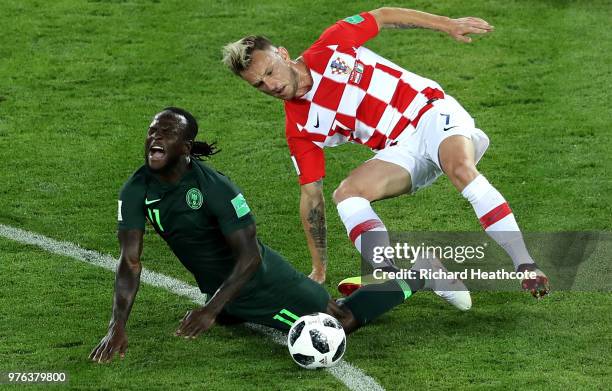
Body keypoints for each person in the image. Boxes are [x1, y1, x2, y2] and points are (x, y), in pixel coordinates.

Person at [222, 7, 550, 298]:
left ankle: (525, 263)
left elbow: (383, 16)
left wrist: (447, 24)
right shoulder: (300, 128)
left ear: (282, 53)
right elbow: (311, 197)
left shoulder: (333, 45)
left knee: (461, 169)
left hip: (430, 113)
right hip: (400, 150)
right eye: (259, 85)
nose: (271, 85)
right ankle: (390, 275)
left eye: (269, 72)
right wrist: (318, 269)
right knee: (347, 194)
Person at [89, 107, 454, 364]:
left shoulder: (215, 189)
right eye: (153, 130)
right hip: (221, 283)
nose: (155, 137)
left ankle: (420, 272)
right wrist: (116, 327)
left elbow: (251, 258)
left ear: (184, 148)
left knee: (336, 321)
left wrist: (210, 310)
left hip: (260, 277)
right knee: (229, 315)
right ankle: (227, 306)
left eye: (166, 133)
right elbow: (130, 262)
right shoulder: (136, 190)